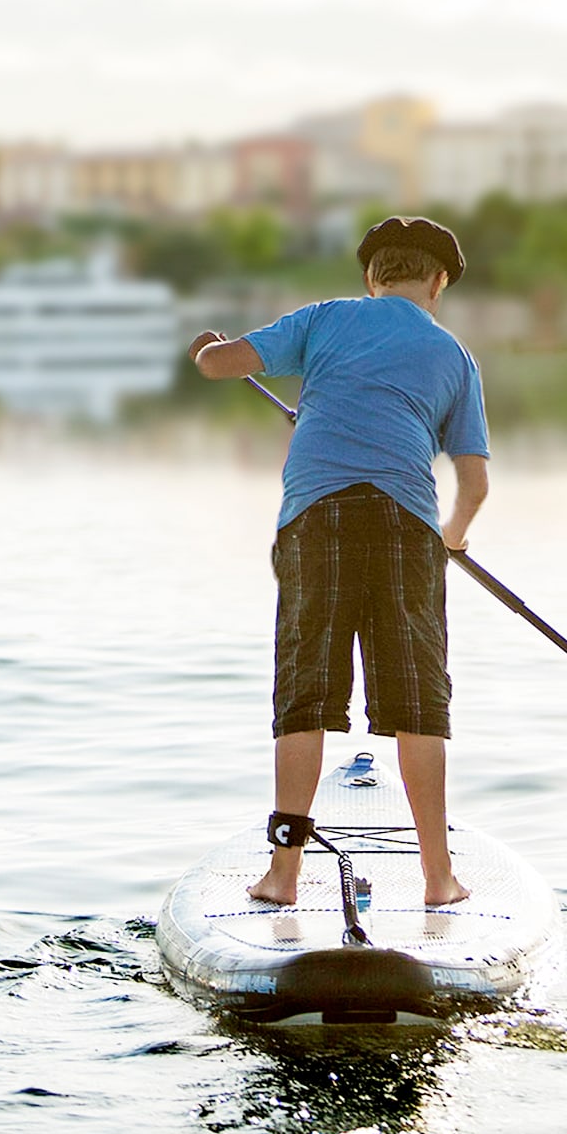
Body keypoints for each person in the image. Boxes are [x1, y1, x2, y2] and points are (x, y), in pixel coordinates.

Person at [189, 215, 490, 909]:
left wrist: (208, 346)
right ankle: (439, 879)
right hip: (405, 528)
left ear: (371, 275)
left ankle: (284, 877)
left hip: (316, 521)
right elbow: (473, 485)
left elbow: (219, 364)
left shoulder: (324, 320)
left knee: (304, 696)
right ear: (437, 282)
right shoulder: (454, 357)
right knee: (419, 703)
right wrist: (453, 537)